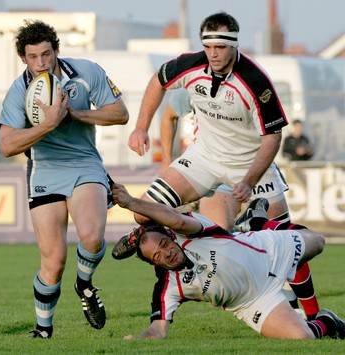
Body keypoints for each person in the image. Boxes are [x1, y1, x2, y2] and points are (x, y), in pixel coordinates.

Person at [113, 12, 320, 320]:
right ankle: (151, 233)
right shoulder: (191, 64)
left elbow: (273, 137)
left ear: (234, 45)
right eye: (208, 47)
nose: (213, 54)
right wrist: (141, 127)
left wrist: (249, 180)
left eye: (220, 47)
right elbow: (158, 80)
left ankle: (314, 313)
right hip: (204, 158)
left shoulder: (255, 80)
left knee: (291, 243)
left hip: (250, 164)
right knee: (142, 211)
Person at [0, 20, 129, 338]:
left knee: (92, 236)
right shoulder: (19, 92)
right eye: (33, 57)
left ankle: (84, 284)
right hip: (45, 169)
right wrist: (47, 124)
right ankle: (44, 331)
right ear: (24, 59)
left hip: (85, 164)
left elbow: (120, 113)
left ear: (56, 50)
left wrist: (75, 115)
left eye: (46, 53)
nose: (41, 62)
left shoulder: (86, 73)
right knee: (54, 259)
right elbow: (6, 146)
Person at [111, 182, 345, 340]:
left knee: (318, 241)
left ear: (170, 237)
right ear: (155, 264)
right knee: (302, 338)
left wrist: (132, 203)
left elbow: (177, 220)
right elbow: (158, 329)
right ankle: (328, 322)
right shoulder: (167, 287)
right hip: (254, 302)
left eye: (163, 245)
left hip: (269, 250)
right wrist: (138, 343)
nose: (166, 254)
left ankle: (259, 224)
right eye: (157, 256)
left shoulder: (191, 231)